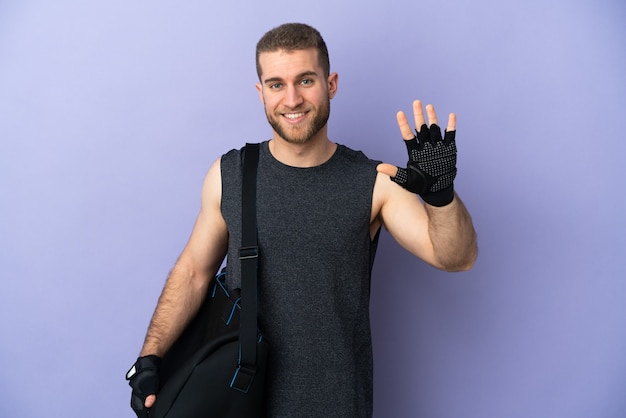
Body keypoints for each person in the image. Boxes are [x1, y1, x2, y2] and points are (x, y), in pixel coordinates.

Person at [126, 22, 477, 417]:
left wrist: (441, 198)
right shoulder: (231, 173)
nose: (291, 99)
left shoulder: (375, 182)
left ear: (331, 84)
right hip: (236, 403)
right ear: (261, 92)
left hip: (337, 405)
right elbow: (193, 271)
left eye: (305, 80)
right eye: (276, 84)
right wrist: (150, 358)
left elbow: (456, 257)